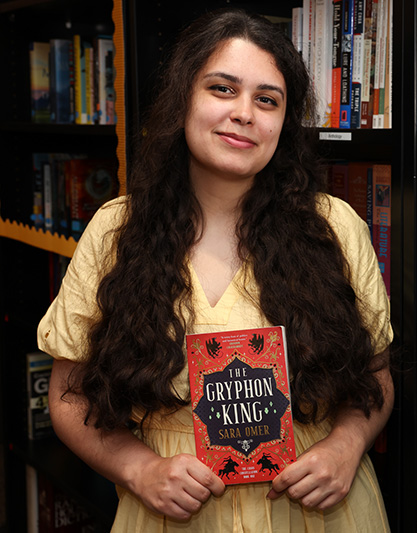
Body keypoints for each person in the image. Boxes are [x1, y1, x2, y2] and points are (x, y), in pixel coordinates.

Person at [37, 8, 394, 532]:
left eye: (266, 99)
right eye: (223, 89)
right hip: (172, 515)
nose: (245, 113)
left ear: (284, 123)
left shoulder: (335, 227)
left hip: (320, 515)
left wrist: (346, 446)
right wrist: (139, 470)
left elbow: (376, 375)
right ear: (184, 99)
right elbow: (69, 395)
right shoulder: (116, 232)